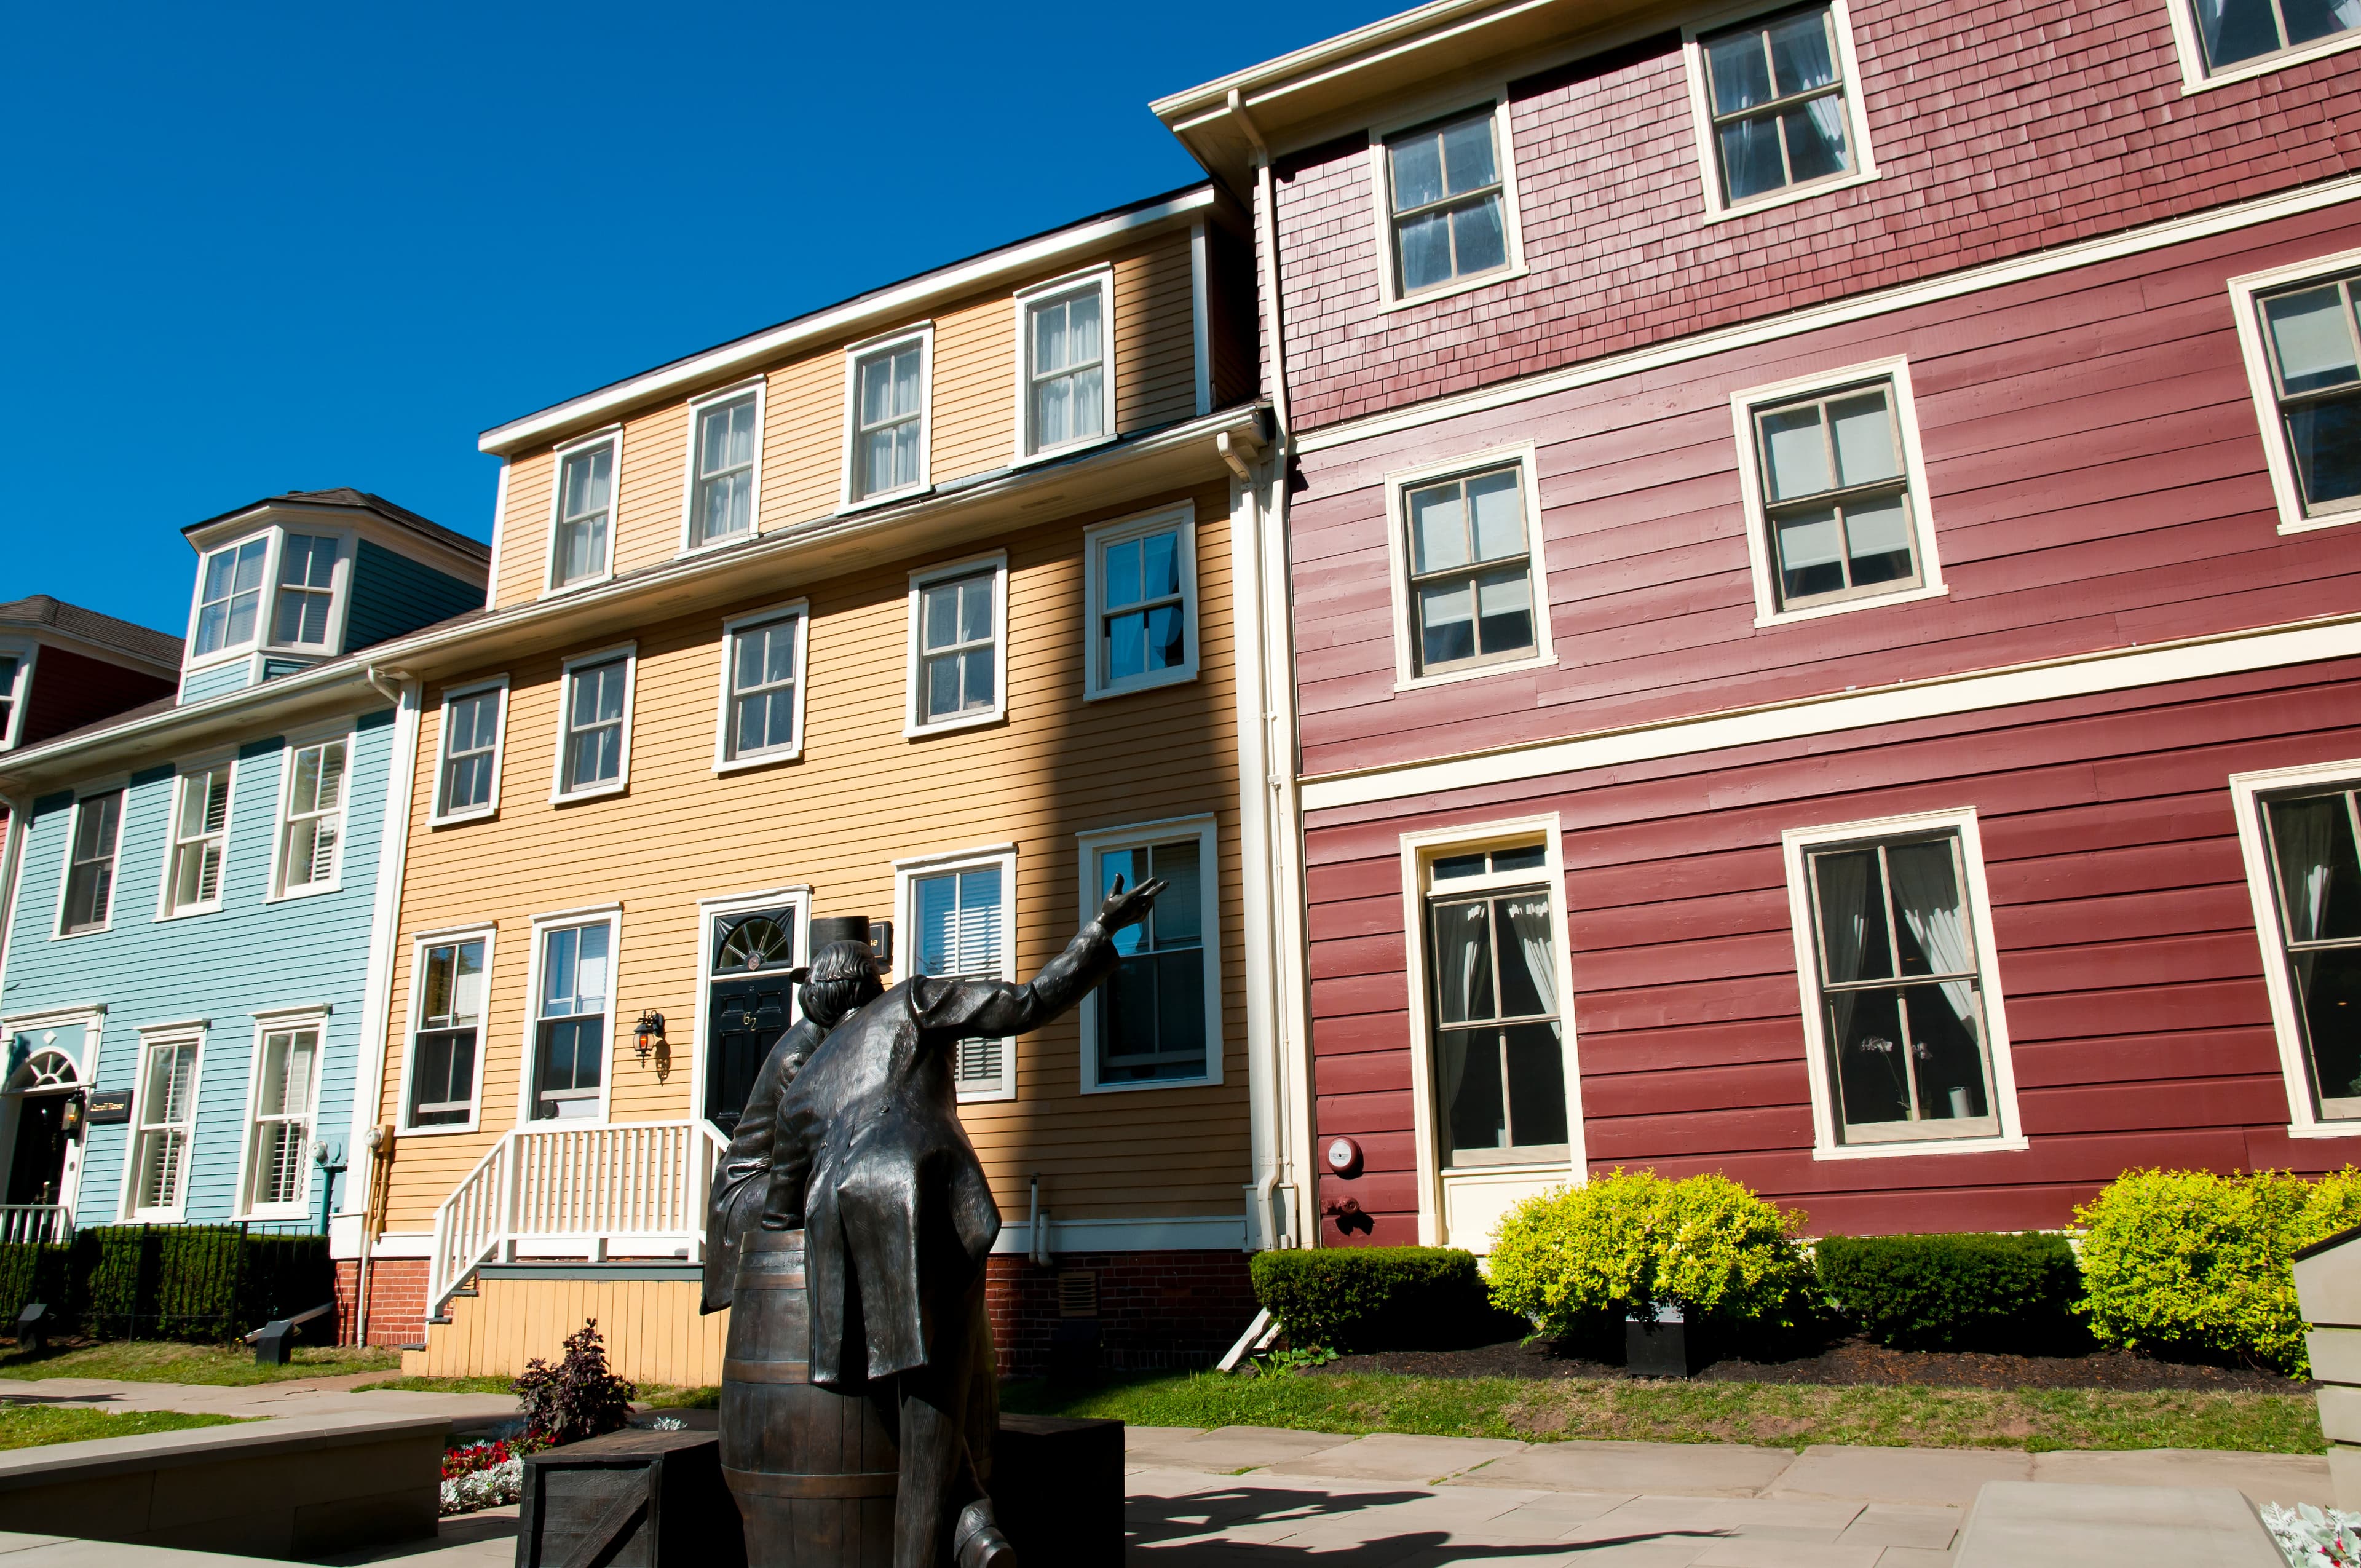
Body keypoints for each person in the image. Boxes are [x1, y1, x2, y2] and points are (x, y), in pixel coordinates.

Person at [764, 874, 1166, 1568]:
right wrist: (1098, 935)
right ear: (868, 983)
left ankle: (975, 1521)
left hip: (838, 1234)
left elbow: (778, 1208)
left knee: (913, 1403)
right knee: (932, 1405)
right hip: (917, 1194)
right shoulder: (912, 1000)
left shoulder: (799, 1085)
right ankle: (951, 1539)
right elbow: (1026, 1003)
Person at [699, 964, 853, 1315]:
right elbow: (814, 1139)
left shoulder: (823, 1042)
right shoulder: (798, 1058)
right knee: (835, 1188)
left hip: (781, 1174)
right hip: (751, 1187)